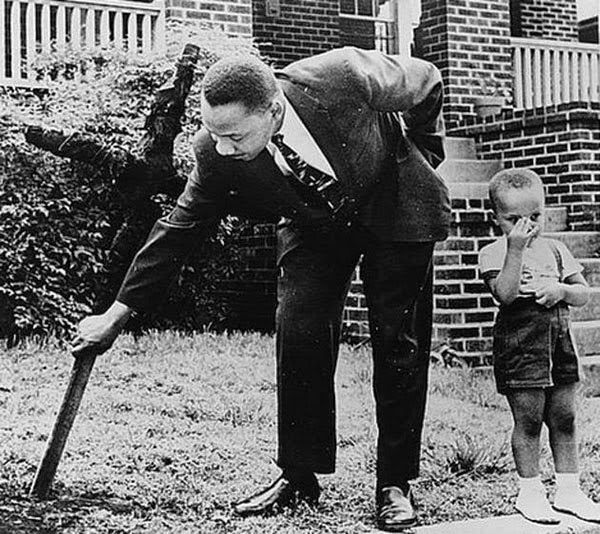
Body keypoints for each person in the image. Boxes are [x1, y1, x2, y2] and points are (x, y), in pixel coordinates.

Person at [71, 47, 450, 531]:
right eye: (215, 133)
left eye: (235, 136)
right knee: (299, 331)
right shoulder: (215, 152)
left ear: (272, 111)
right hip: (316, 222)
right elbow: (178, 230)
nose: (224, 148)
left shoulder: (340, 77)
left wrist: (421, 152)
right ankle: (299, 474)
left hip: (397, 204)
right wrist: (115, 315)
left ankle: (394, 483)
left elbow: (427, 80)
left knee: (399, 343)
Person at [479, 168, 598, 525]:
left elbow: (583, 294)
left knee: (565, 416)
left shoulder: (557, 249)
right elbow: (505, 294)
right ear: (496, 218)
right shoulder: (494, 251)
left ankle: (569, 490)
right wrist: (514, 249)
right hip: (521, 344)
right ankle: (529, 493)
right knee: (529, 419)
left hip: (559, 340)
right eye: (514, 219)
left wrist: (562, 290)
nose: (526, 226)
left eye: (534, 217)